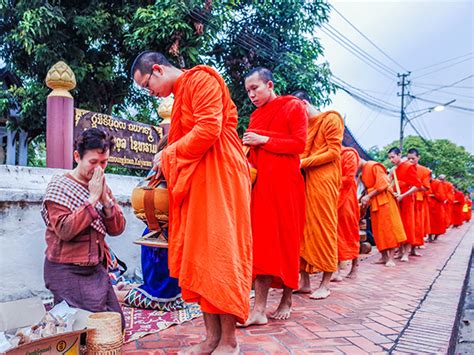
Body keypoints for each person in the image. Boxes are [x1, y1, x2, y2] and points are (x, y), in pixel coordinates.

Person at [132, 51, 252, 354]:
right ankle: (211, 338)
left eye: (147, 85)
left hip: (220, 175)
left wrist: (168, 154)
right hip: (199, 179)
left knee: (219, 254)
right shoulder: (182, 94)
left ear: (157, 69)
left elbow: (209, 129)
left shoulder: (200, 79)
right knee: (201, 259)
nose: (150, 92)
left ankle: (229, 341)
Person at [240, 68, 306, 325]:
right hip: (262, 187)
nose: (251, 95)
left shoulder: (293, 107)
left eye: (255, 88)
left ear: (269, 84)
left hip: (287, 186)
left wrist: (263, 139)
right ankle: (258, 310)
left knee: (287, 241)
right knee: (263, 244)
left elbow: (298, 144)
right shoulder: (256, 116)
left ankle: (287, 298)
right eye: (248, 91)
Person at [41, 128, 126, 327]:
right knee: (90, 332)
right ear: (77, 157)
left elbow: (117, 229)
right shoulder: (59, 185)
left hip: (95, 269)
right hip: (67, 269)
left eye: (104, 163)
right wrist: (92, 199)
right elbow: (65, 230)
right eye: (93, 162)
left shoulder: (101, 185)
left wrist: (106, 203)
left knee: (115, 325)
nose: (99, 169)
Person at [291, 90, 343, 299]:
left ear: (304, 104)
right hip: (305, 181)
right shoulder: (305, 128)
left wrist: (303, 163)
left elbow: (333, 152)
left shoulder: (331, 118)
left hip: (324, 181)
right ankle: (304, 282)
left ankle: (325, 284)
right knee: (303, 230)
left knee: (324, 227)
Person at [359, 159, 407, 267]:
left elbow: (384, 184)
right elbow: (367, 189)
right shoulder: (362, 172)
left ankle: (390, 258)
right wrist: (364, 198)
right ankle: (383, 256)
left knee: (389, 228)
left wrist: (368, 196)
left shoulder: (373, 166)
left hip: (385, 201)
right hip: (374, 202)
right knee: (378, 230)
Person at [387, 147, 421, 262]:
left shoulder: (408, 166)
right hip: (397, 199)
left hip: (406, 200)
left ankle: (406, 253)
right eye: (389, 158)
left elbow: (417, 185)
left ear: (399, 155)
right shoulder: (394, 169)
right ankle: (400, 250)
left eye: (393, 157)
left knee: (407, 225)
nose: (391, 160)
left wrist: (403, 195)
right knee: (398, 225)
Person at [333, 146, 361, 281]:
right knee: (335, 233)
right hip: (333, 196)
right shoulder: (328, 153)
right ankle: (337, 269)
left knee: (350, 232)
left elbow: (349, 178)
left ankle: (355, 266)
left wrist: (329, 181)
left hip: (347, 198)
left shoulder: (349, 154)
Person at [406, 148, 431, 253]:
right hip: (406, 199)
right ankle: (402, 249)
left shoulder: (424, 171)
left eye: (413, 158)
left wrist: (416, 186)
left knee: (416, 225)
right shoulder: (404, 168)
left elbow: (426, 187)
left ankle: (413, 249)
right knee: (406, 224)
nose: (411, 161)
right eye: (409, 158)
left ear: (418, 157)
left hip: (418, 201)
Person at [428, 176, 448, 241]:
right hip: (429, 205)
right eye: (440, 179)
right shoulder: (427, 182)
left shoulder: (438, 183)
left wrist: (433, 195)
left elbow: (442, 196)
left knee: (438, 222)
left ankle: (436, 236)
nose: (441, 180)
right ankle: (429, 237)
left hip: (437, 205)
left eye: (443, 179)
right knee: (430, 222)